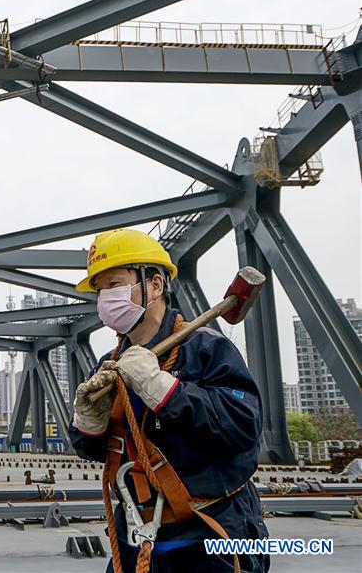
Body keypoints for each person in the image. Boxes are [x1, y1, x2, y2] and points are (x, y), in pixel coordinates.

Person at [68, 229, 270, 573]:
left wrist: (162, 388)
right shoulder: (110, 364)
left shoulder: (206, 348)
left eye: (115, 285)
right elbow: (96, 451)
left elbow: (243, 425)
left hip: (209, 535)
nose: (106, 298)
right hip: (137, 535)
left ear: (156, 284)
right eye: (100, 291)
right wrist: (88, 422)